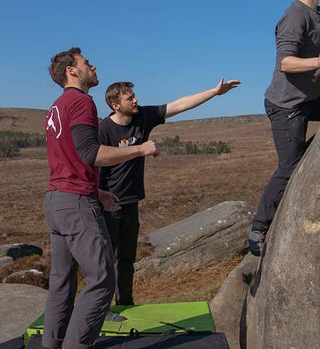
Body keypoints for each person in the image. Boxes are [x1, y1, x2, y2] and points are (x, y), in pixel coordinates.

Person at [43, 47, 159, 349]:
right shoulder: (81, 101)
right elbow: (90, 153)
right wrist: (139, 149)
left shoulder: (56, 106)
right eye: (85, 63)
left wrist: (96, 189)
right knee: (102, 278)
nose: (93, 66)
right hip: (75, 203)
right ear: (71, 71)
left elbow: (66, 157)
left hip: (56, 199)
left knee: (62, 279)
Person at [99, 77, 240, 306]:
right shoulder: (103, 129)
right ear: (115, 105)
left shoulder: (142, 116)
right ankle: (99, 312)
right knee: (104, 262)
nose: (136, 100)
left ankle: (125, 305)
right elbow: (91, 162)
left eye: (134, 96)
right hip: (108, 203)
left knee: (126, 261)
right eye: (129, 98)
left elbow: (178, 105)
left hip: (131, 201)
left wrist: (214, 92)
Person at [248, 0, 320, 256]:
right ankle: (259, 227)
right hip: (286, 105)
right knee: (289, 166)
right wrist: (319, 61)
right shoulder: (294, 17)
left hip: (310, 99)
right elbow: (286, 63)